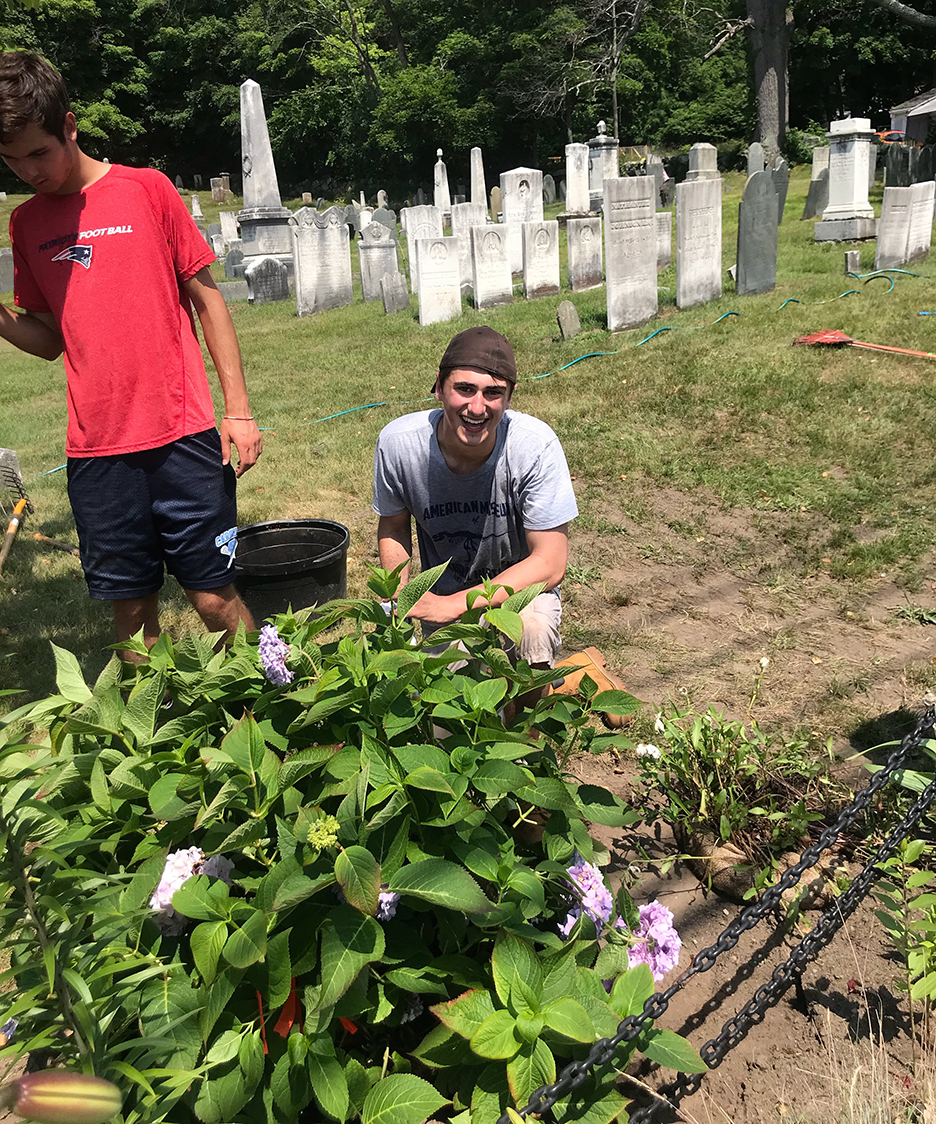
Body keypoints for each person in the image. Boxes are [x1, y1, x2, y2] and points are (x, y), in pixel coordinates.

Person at [0, 51, 261, 653]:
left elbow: (208, 300)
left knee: (214, 598)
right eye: (11, 161)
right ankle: (151, 734)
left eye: (38, 153)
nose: (28, 172)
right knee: (131, 612)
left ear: (69, 125)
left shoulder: (147, 189)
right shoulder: (26, 224)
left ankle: (268, 703)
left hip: (183, 435)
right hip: (97, 454)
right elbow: (48, 342)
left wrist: (239, 410)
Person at [373, 325, 577, 671]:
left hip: (520, 590)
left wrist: (454, 605)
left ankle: (531, 712)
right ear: (439, 387)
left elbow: (550, 563)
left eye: (493, 393)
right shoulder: (400, 446)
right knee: (450, 717)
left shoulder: (533, 447)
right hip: (442, 596)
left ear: (510, 397)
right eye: (464, 389)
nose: (477, 407)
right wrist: (400, 599)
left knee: (533, 632)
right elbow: (393, 525)